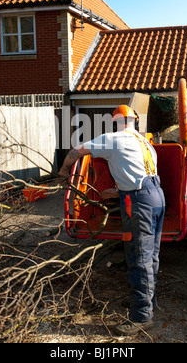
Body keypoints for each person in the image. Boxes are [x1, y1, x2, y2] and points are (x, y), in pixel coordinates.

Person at [58, 105, 165, 336]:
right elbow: (143, 174)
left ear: (115, 122)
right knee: (151, 256)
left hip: (140, 202)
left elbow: (77, 151)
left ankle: (141, 318)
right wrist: (119, 192)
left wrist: (64, 171)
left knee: (138, 258)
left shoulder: (113, 139)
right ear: (134, 122)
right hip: (157, 197)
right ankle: (148, 303)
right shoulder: (146, 143)